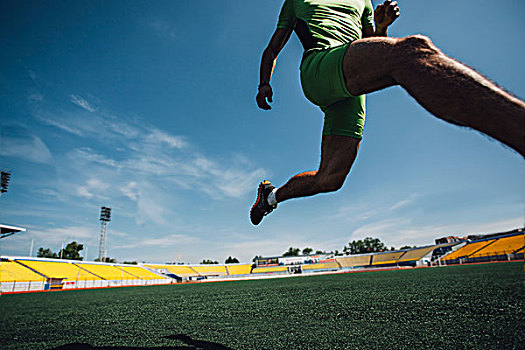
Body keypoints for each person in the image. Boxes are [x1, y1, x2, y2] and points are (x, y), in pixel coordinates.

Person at [250, 0, 525, 226]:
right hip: (320, 67)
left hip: (351, 88)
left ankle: (270, 197)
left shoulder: (364, 3)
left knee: (330, 178)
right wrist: (264, 82)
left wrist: (381, 27)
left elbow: (373, 45)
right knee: (412, 52)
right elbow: (273, 48)